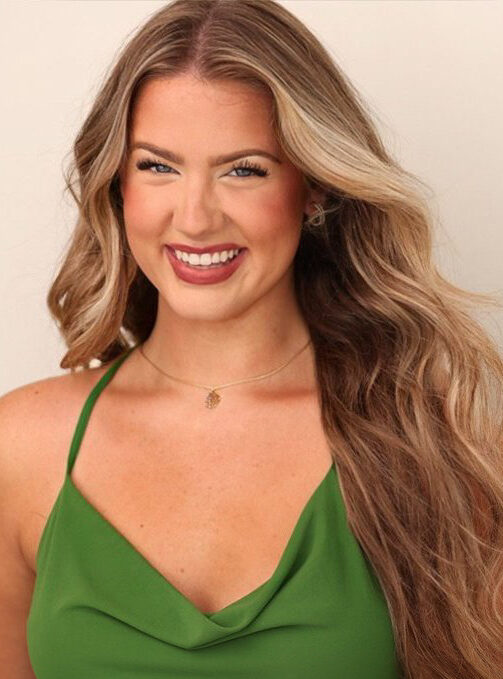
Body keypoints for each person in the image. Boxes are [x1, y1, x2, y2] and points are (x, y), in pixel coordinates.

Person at [1, 0, 502, 677]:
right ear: (116, 184)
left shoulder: (430, 438)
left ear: (314, 187)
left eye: (243, 169)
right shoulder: (20, 447)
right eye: (157, 166)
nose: (194, 217)